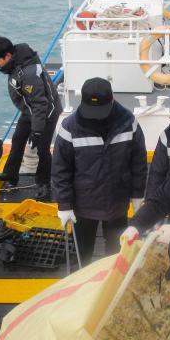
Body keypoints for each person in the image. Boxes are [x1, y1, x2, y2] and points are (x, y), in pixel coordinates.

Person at [51, 77, 147, 263]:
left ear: (112, 100)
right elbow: (60, 170)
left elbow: (139, 162)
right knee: (83, 252)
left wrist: (137, 194)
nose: (95, 115)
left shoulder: (129, 122)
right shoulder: (69, 127)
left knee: (116, 253)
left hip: (117, 202)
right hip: (83, 205)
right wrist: (64, 205)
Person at [0, 35, 61, 199]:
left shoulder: (28, 73)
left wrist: (37, 131)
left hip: (47, 112)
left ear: (8, 56)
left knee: (42, 149)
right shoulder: (15, 62)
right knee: (18, 139)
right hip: (29, 109)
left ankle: (44, 183)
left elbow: (41, 103)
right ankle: (10, 174)